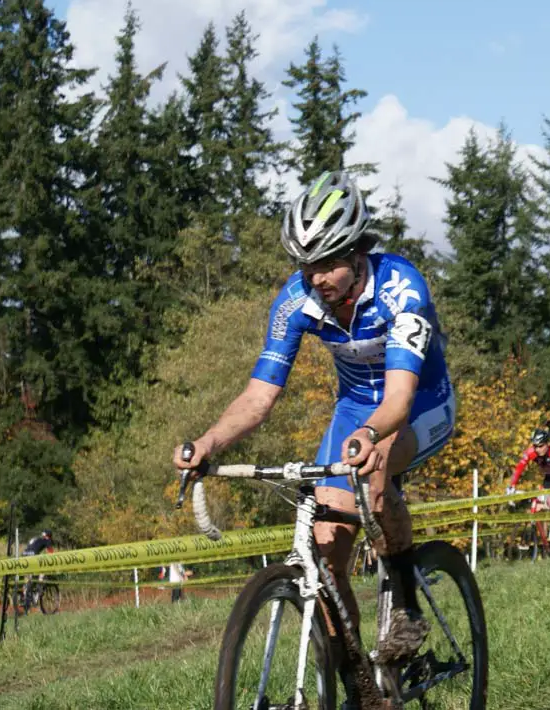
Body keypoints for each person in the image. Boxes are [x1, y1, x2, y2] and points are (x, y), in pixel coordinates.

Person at [173, 171, 455, 699]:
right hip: (354, 410)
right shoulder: (296, 300)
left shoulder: (401, 288)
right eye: (307, 265)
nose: (317, 278)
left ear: (357, 251)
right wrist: (209, 442)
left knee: (375, 472)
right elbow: (259, 397)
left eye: (328, 263)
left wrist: (374, 435)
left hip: (418, 401)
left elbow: (397, 399)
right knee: (326, 553)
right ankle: (361, 685)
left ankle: (409, 607)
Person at [506, 425, 550, 543]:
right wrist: (512, 486)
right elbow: (519, 469)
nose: (537, 449)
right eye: (535, 446)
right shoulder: (531, 452)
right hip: (549, 478)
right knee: (540, 507)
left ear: (547, 444)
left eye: (541, 446)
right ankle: (545, 539)